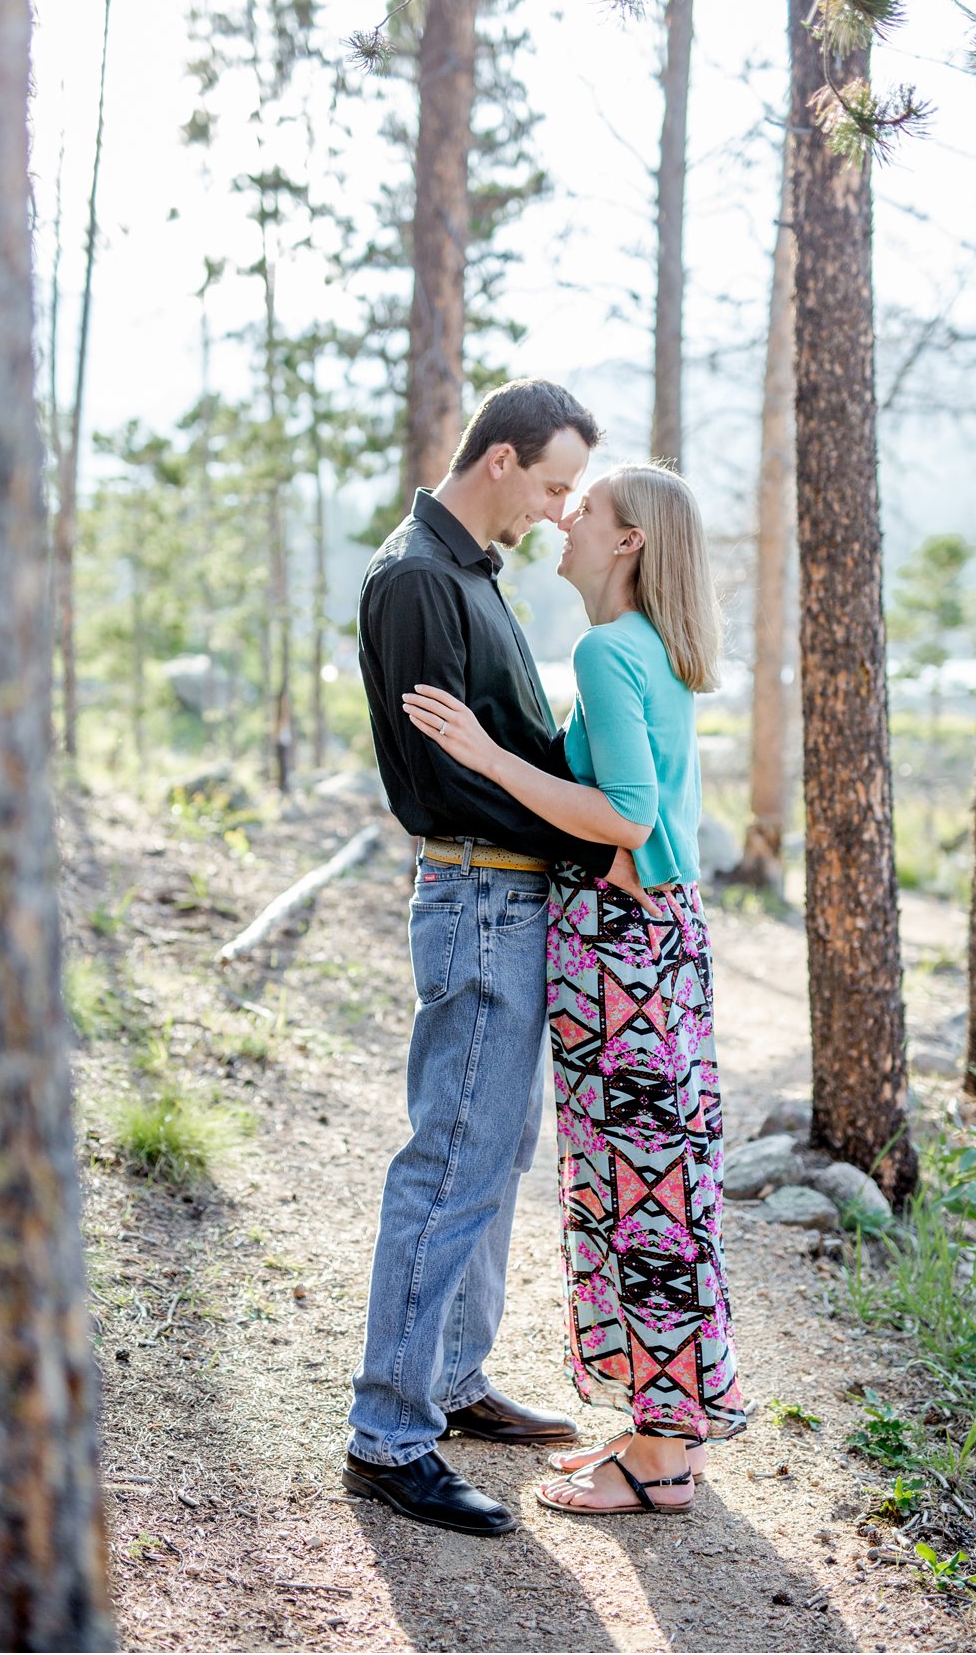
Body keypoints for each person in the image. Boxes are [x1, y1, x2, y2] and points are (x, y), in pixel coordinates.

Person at [403, 463, 747, 1518]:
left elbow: (630, 815)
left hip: (622, 944)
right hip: (663, 938)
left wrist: (485, 756)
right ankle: (661, 1431)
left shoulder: (607, 649)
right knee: (663, 1183)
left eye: (584, 507)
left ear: (630, 539)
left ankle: (661, 1460)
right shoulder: (655, 650)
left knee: (640, 1191)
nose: (565, 518)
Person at [345, 378, 648, 1539]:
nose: (560, 509)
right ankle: (388, 1433)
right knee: (454, 1155)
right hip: (477, 892)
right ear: (504, 460)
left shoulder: (467, 570)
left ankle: (453, 1381)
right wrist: (583, 823)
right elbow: (447, 780)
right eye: (557, 484)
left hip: (506, 895)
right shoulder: (420, 576)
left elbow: (501, 747)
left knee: (496, 1146)